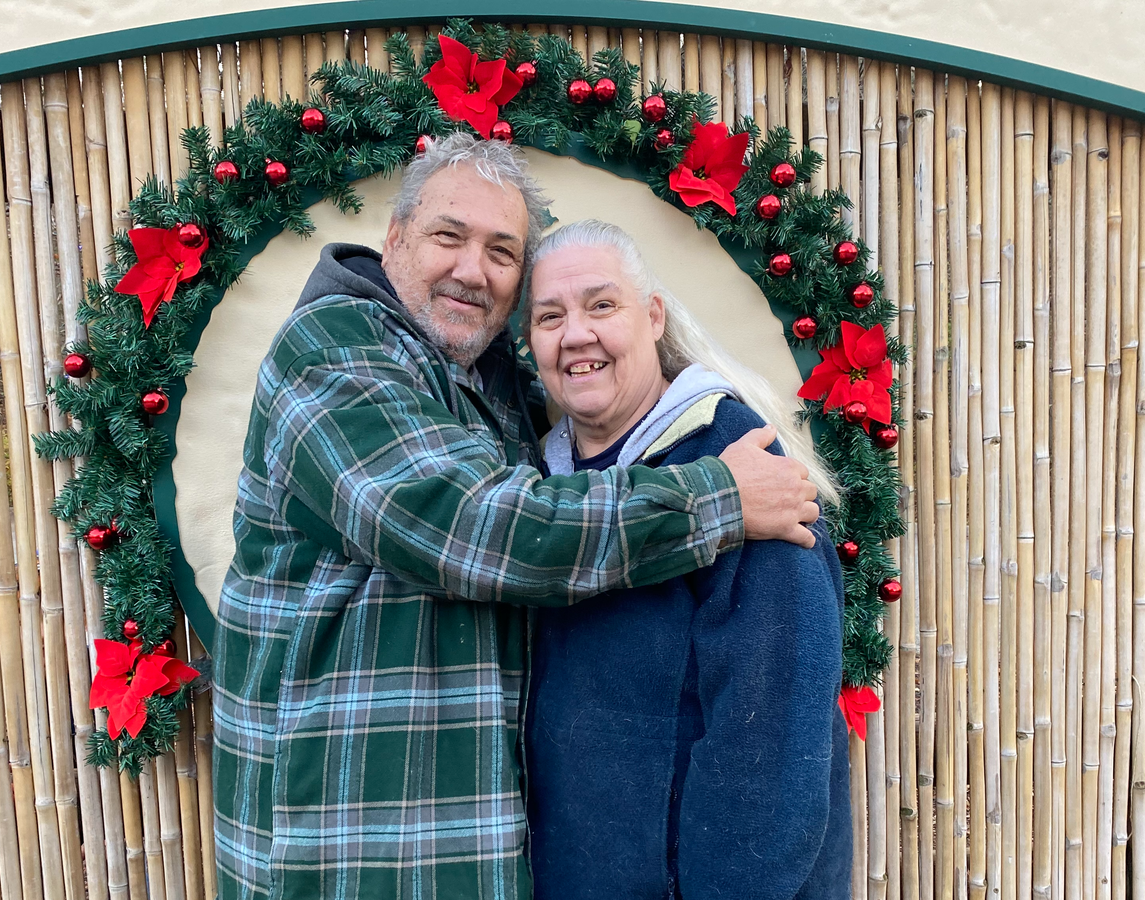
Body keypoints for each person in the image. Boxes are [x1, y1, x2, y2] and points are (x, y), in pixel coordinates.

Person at [212, 134, 821, 900]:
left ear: (652, 317)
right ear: (395, 238)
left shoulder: (506, 395)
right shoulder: (334, 352)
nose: (473, 270)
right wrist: (719, 498)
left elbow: (771, 740)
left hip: (472, 852)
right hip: (346, 844)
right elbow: (465, 527)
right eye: (449, 236)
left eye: (502, 251)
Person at [524, 220, 851, 900]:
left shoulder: (743, 473)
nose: (575, 334)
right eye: (549, 316)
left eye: (601, 305)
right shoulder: (544, 491)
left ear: (652, 317)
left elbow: (771, 757)